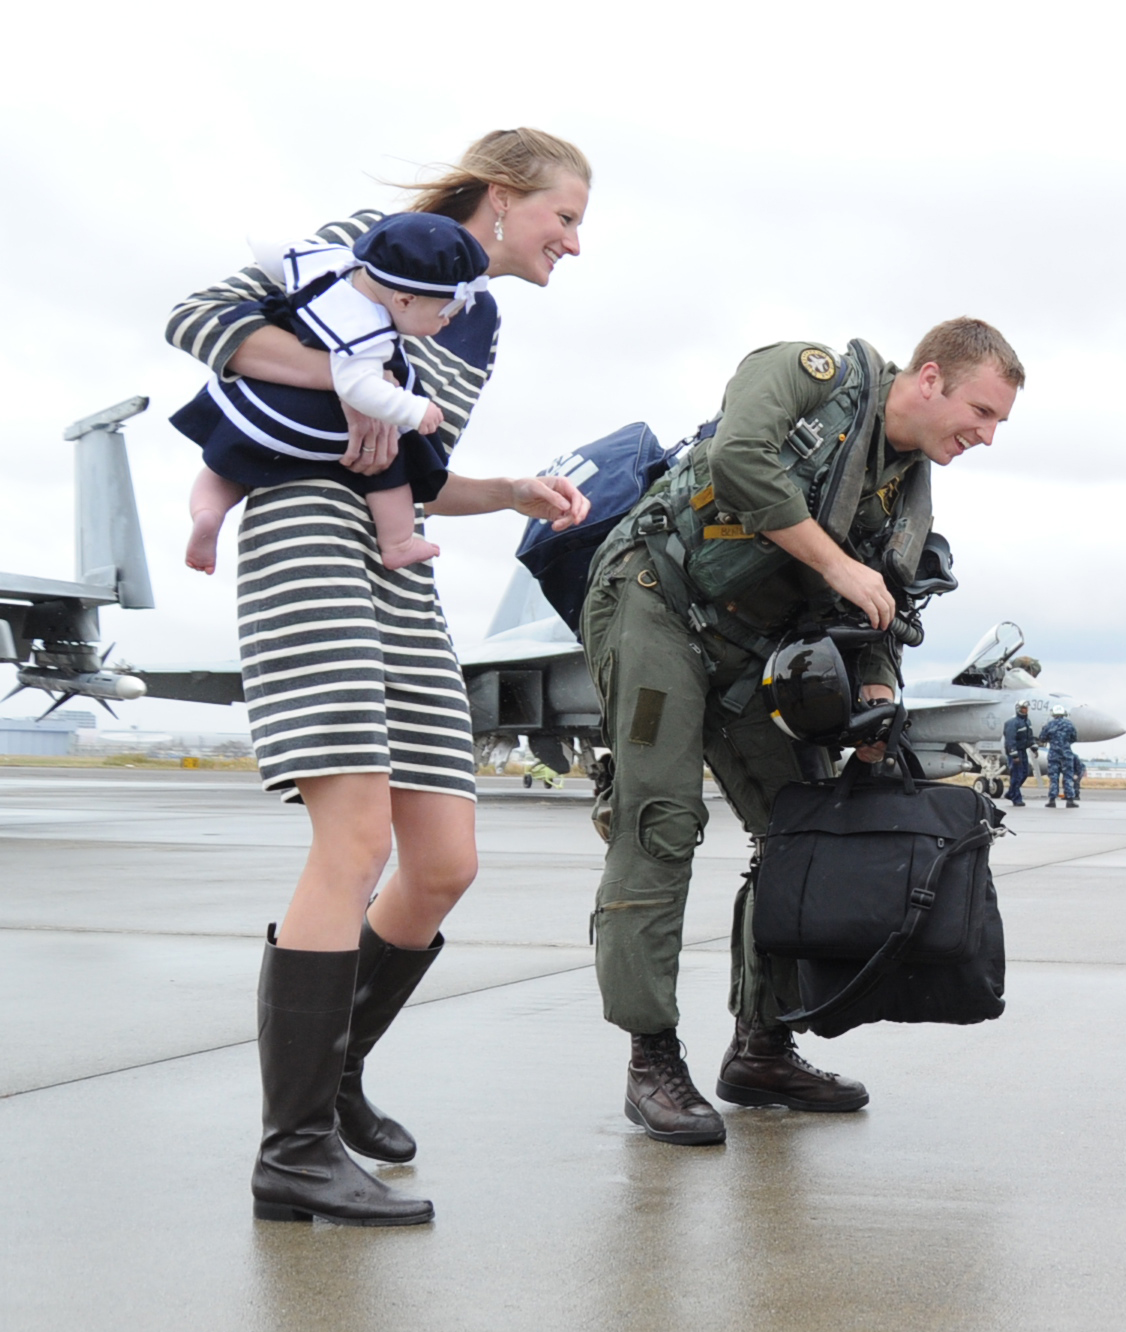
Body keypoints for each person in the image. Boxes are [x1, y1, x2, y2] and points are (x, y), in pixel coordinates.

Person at [163, 128, 594, 1226]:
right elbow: (198, 319)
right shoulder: (372, 245)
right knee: (352, 840)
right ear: (503, 199)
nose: (575, 244)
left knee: (444, 859)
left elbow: (408, 466)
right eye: (565, 219)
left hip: (397, 565)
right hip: (305, 531)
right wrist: (348, 379)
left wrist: (505, 491)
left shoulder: (477, 323)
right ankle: (292, 1149)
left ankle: (335, 1069)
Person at [580, 318, 1024, 1146]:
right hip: (656, 600)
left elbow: (882, 602)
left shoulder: (903, 488)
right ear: (929, 379)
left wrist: (878, 699)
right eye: (982, 411)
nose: (986, 436)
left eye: (998, 423)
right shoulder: (810, 376)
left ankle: (762, 1045)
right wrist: (835, 564)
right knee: (661, 821)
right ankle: (652, 1060)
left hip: (752, 648)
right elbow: (741, 460)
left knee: (804, 826)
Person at [175, 213, 491, 574]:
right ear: (403, 300)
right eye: (449, 310)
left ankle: (208, 514)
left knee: (226, 463)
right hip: (312, 414)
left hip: (260, 396)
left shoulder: (331, 263)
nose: (450, 320)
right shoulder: (365, 334)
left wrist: (256, 230)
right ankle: (398, 542)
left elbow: (275, 249)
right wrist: (412, 409)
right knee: (392, 458)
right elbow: (358, 387)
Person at [1039, 703, 1079, 808]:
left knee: (1053, 777)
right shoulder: (1069, 724)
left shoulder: (1049, 725)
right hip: (1066, 754)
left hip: (1053, 755)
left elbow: (1042, 738)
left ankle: (1052, 800)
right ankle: (1070, 800)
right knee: (1068, 777)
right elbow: (1074, 738)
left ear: (1053, 714)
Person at [1002, 701, 1035, 805]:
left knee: (1025, 773)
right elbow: (1010, 740)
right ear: (1018, 709)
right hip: (1015, 753)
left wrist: (1034, 748)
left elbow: (1029, 737)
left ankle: (1011, 792)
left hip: (1023, 751)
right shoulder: (1012, 723)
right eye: (1023, 708)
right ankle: (1016, 799)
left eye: (1026, 708)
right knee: (1016, 775)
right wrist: (1014, 755)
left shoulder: (1027, 722)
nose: (1025, 710)